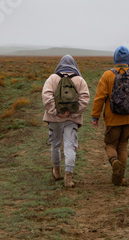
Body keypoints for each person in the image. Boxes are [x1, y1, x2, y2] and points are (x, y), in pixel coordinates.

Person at [91, 46, 129, 186]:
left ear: (115, 58)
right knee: (123, 145)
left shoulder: (107, 75)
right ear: (128, 58)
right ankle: (121, 178)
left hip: (112, 118)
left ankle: (114, 162)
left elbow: (99, 98)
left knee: (110, 144)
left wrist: (95, 116)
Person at [42, 55, 90, 188]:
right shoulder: (79, 80)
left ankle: (57, 171)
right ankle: (68, 177)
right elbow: (85, 98)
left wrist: (56, 112)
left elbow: (46, 96)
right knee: (70, 146)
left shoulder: (53, 78)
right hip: (72, 120)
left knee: (55, 145)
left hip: (54, 119)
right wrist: (73, 113)